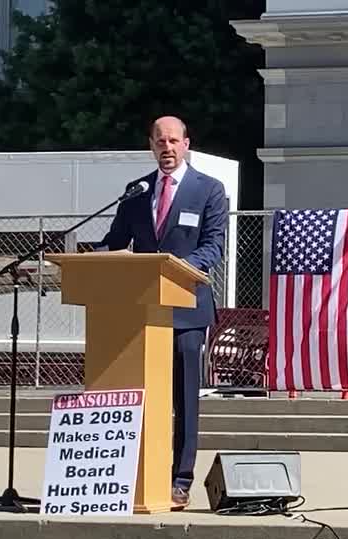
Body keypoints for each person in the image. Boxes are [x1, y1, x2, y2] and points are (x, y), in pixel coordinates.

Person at [99, 116, 226, 510]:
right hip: (141, 312)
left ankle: (180, 478)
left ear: (186, 143)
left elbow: (213, 247)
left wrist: (176, 267)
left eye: (173, 140)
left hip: (187, 311)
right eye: (159, 141)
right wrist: (87, 255)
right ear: (151, 145)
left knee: (184, 400)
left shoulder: (209, 190)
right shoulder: (136, 192)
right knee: (145, 396)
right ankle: (139, 472)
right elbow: (116, 242)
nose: (166, 148)